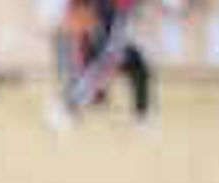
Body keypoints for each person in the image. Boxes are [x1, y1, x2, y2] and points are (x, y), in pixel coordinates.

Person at [49, 0, 154, 128]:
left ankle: (141, 117)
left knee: (136, 65)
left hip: (109, 29)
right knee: (99, 70)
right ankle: (67, 107)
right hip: (101, 32)